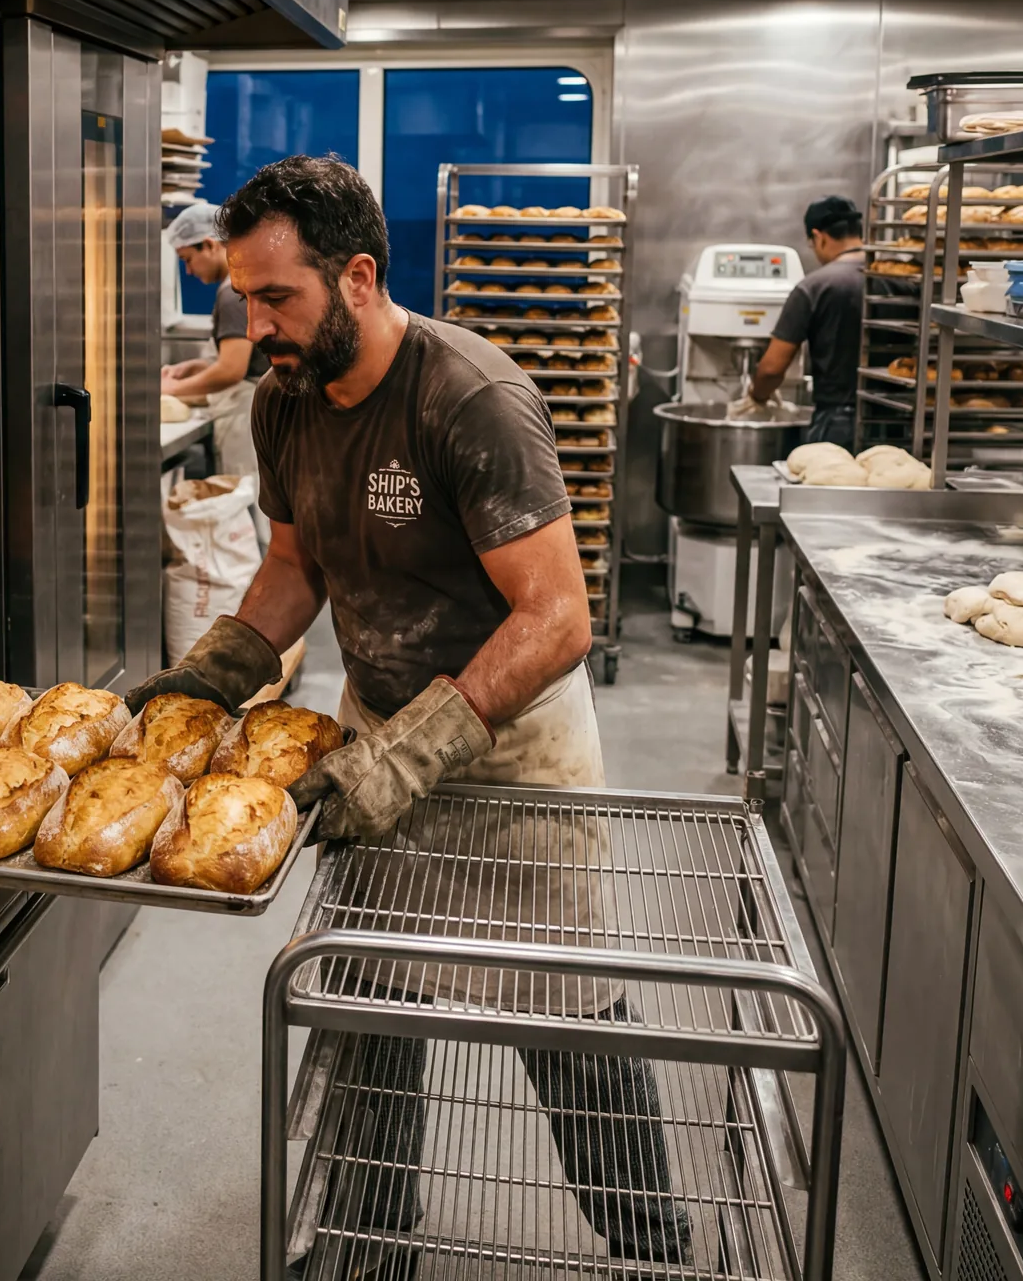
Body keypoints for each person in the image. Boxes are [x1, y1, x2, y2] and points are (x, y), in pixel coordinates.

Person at [129, 155, 689, 1271]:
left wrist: (412, 755)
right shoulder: (285, 401)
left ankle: (658, 1251)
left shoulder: (467, 398)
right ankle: (369, 1246)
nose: (258, 323)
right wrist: (214, 670)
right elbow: (294, 564)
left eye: (277, 296)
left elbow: (558, 618)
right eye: (243, 297)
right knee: (367, 1005)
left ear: (358, 278)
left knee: (561, 1022)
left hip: (510, 757)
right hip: (373, 729)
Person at [161, 200, 270, 535]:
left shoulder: (232, 294)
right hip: (246, 412)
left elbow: (231, 370)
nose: (189, 272)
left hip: (244, 417)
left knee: (251, 517)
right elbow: (235, 357)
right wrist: (195, 366)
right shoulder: (236, 288)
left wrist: (170, 390)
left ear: (208, 244)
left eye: (187, 260)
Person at [743, 195, 865, 445]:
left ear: (819, 237)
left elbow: (772, 368)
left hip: (839, 421)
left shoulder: (815, 287)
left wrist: (756, 398)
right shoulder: (900, 279)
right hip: (899, 419)